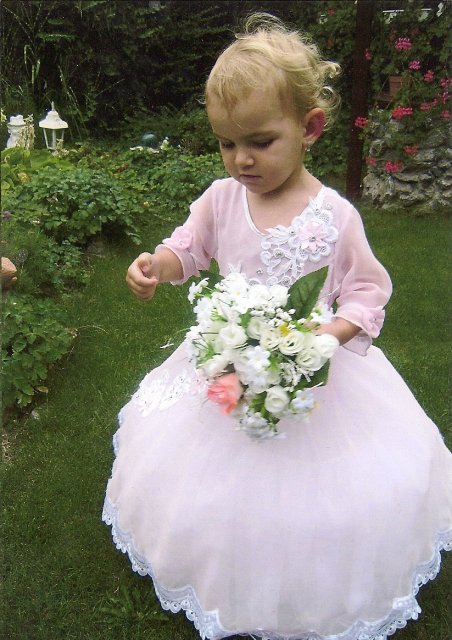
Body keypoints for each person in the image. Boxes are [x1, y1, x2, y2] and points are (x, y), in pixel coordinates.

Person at [103, 14, 452, 640]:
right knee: (209, 464)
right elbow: (191, 248)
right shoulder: (221, 198)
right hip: (229, 363)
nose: (241, 159)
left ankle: (306, 574)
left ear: (309, 127)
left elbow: (366, 290)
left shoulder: (334, 216)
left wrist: (326, 338)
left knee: (320, 489)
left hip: (311, 373)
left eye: (260, 142)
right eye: (226, 143)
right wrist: (158, 264)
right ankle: (212, 549)